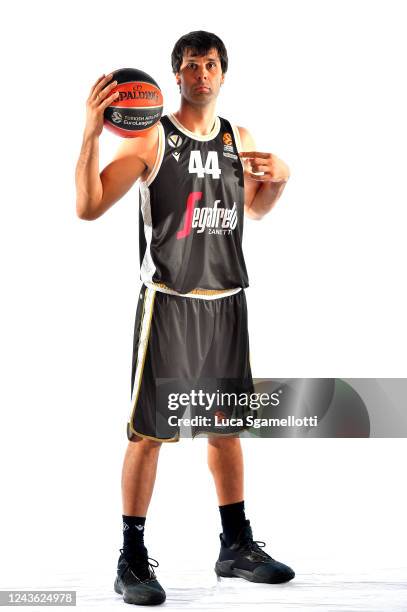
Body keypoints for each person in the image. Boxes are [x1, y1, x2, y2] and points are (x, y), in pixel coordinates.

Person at [75, 30, 294, 607]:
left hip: (227, 300)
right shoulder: (152, 139)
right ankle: (130, 558)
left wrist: (281, 177)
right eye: (192, 65)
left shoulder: (236, 138)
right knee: (150, 434)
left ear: (224, 74)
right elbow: (88, 206)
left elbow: (255, 207)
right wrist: (89, 135)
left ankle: (236, 545)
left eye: (212, 64)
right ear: (175, 75)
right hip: (169, 300)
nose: (202, 73)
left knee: (227, 428)